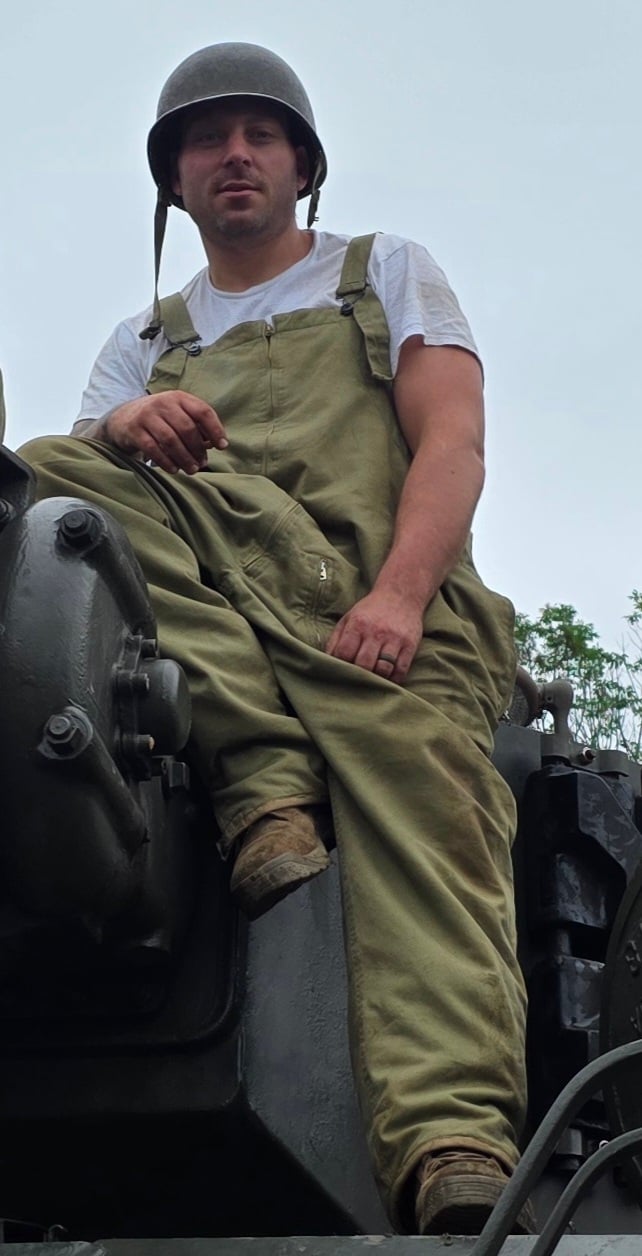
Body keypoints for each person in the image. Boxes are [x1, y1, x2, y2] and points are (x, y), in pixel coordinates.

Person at [19, 42, 531, 1237]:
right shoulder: (142, 343)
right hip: (222, 629)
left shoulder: (382, 270)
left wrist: (403, 597)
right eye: (207, 138)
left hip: (368, 610)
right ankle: (260, 772)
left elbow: (452, 440)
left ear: (302, 164)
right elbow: (78, 532)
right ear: (174, 180)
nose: (234, 154)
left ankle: (451, 1140)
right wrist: (130, 423)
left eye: (260, 134)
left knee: (426, 818)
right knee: (62, 466)